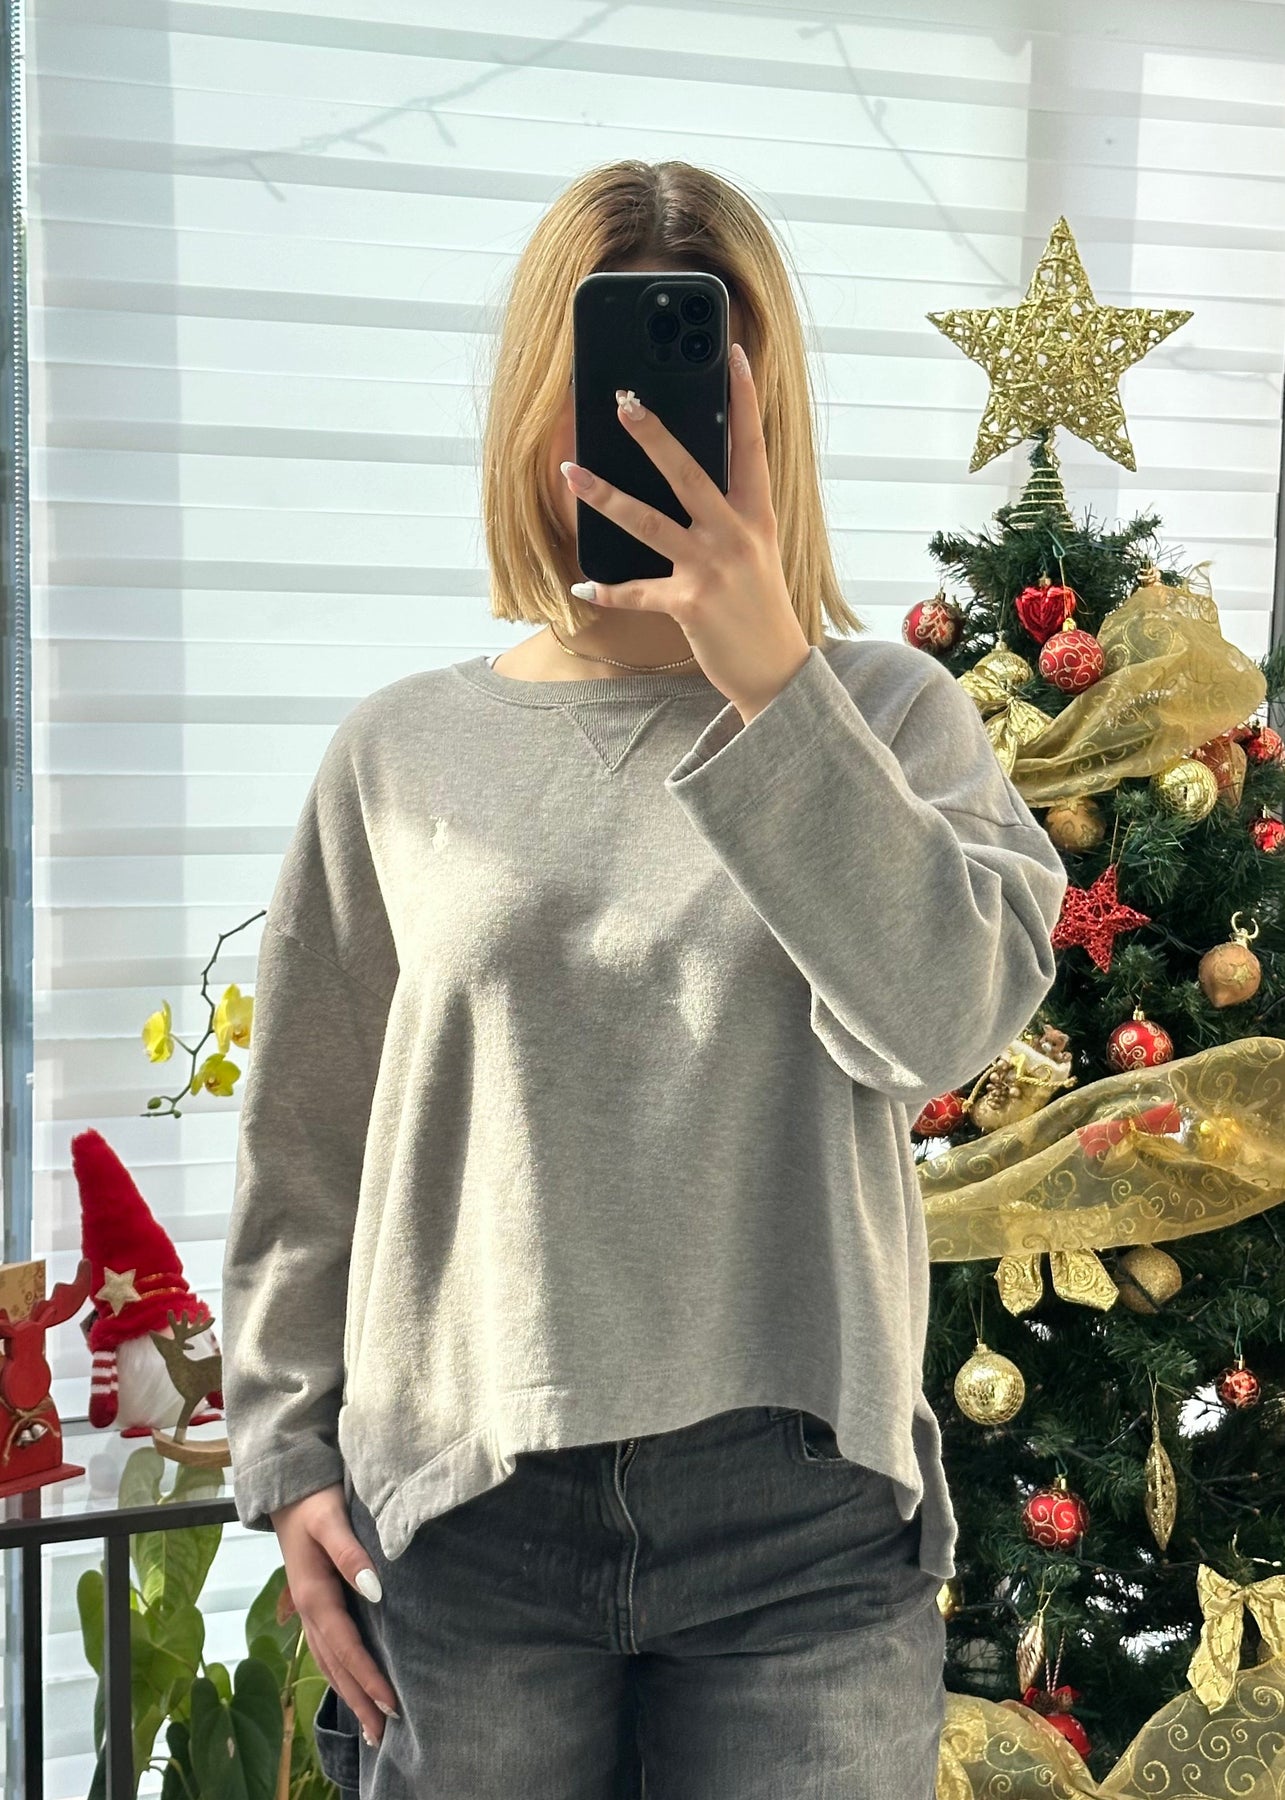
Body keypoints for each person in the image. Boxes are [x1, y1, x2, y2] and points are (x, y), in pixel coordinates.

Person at [220, 158, 1069, 1799]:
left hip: (802, 1522)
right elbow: (306, 1144)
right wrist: (285, 1452)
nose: (639, 433)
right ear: (533, 411)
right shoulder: (402, 753)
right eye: (598, 388)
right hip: (464, 1511)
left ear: (770, 419)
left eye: (692, 395)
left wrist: (770, 680)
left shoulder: (891, 720)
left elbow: (943, 1023)